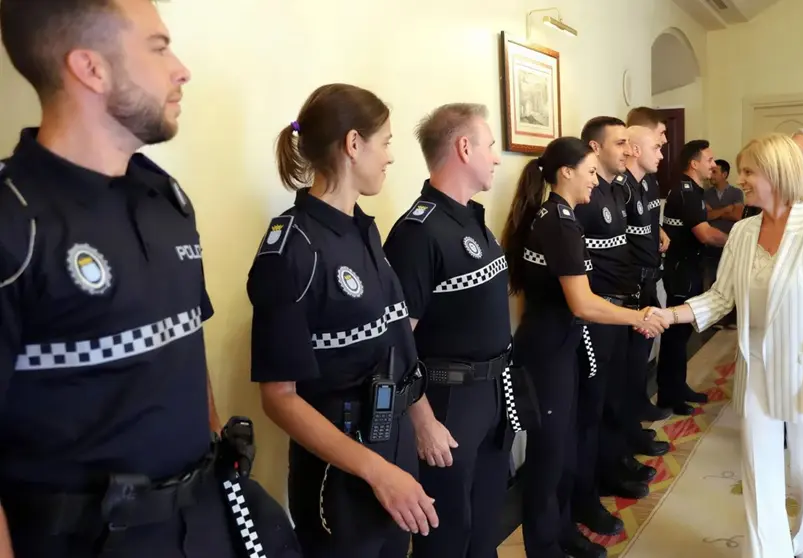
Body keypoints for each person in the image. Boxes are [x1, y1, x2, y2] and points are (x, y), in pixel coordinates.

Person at [0, 1, 300, 557]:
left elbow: (184, 349)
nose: (181, 68)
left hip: (201, 520)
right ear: (91, 68)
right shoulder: (15, 220)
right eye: (159, 47)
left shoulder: (166, 198)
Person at [248, 84, 436, 558]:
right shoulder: (291, 249)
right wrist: (375, 470)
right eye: (387, 141)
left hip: (391, 444)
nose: (391, 157)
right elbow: (279, 398)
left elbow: (397, 342)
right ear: (354, 144)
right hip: (340, 473)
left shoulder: (364, 230)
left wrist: (423, 419)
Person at [656, 132, 803, 558]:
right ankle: (768, 551)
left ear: (778, 174)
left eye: (749, 171)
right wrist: (669, 315)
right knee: (758, 469)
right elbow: (721, 297)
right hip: (757, 367)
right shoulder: (745, 232)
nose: (738, 179)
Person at [500, 137, 666, 558]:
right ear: (566, 173)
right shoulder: (556, 220)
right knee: (548, 455)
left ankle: (562, 531)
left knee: (566, 446)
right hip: (547, 350)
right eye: (590, 172)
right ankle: (544, 544)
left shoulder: (562, 217)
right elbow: (583, 302)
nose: (596, 181)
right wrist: (638, 317)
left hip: (563, 344)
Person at [381, 103, 511, 558]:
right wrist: (424, 422)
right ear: (464, 147)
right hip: (447, 403)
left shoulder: (469, 216)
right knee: (447, 534)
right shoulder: (418, 232)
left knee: (484, 524)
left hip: (492, 393)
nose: (495, 157)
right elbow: (395, 346)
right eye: (491, 146)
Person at [655, 140, 727, 415]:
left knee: (682, 334)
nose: (714, 165)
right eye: (709, 160)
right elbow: (705, 234)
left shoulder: (693, 191)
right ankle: (668, 395)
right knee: (676, 334)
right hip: (682, 271)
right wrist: (738, 242)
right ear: (694, 163)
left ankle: (679, 386)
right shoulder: (686, 192)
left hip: (689, 267)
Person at [623, 109, 672, 423]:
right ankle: (629, 421)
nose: (663, 150)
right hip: (629, 284)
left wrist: (659, 231)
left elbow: (647, 223)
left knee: (641, 354)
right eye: (658, 142)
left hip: (650, 277)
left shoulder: (649, 183)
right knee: (627, 361)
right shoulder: (619, 188)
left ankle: (638, 409)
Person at [702, 159, 743, 292]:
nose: (711, 175)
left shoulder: (736, 193)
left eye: (715, 172)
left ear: (724, 175)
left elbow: (737, 216)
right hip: (710, 245)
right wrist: (726, 209)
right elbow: (705, 216)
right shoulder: (705, 193)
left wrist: (715, 212)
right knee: (709, 283)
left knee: (729, 285)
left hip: (730, 243)